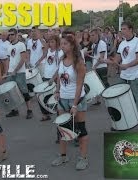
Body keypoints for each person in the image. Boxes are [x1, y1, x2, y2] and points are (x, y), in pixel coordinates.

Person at [51, 32, 89, 170]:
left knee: (81, 130)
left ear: (72, 46)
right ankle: (63, 155)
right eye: (61, 44)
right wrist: (57, 91)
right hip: (62, 99)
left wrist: (74, 104)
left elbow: (79, 85)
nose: (62, 46)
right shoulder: (61, 60)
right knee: (62, 129)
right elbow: (60, 78)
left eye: (65, 44)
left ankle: (83, 158)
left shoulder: (79, 63)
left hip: (76, 100)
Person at [107, 22, 138, 130]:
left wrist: (127, 65)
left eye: (124, 29)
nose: (122, 31)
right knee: (120, 98)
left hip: (135, 75)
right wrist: (109, 61)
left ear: (130, 29)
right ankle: (121, 123)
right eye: (122, 29)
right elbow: (117, 59)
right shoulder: (122, 44)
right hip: (124, 76)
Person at [5, 28, 33, 119]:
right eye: (9, 35)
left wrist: (15, 71)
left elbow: (23, 59)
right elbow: (9, 60)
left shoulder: (21, 45)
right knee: (10, 92)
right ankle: (14, 110)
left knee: (24, 91)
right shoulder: (9, 46)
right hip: (10, 72)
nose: (10, 36)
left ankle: (29, 110)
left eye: (12, 34)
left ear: (16, 35)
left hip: (19, 72)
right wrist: (7, 71)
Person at [39, 35, 64, 121]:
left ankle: (59, 114)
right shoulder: (48, 50)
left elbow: (60, 68)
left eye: (52, 42)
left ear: (57, 42)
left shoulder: (60, 52)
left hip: (54, 78)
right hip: (46, 76)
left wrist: (53, 78)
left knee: (55, 97)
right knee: (41, 96)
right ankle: (45, 114)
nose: (50, 43)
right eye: (50, 42)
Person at [90, 28, 109, 105]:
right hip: (96, 66)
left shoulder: (102, 43)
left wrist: (94, 66)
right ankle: (98, 100)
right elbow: (95, 55)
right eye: (90, 35)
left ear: (97, 35)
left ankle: (109, 97)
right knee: (97, 84)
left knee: (104, 83)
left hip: (102, 67)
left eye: (93, 35)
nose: (91, 37)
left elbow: (101, 57)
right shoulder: (93, 45)